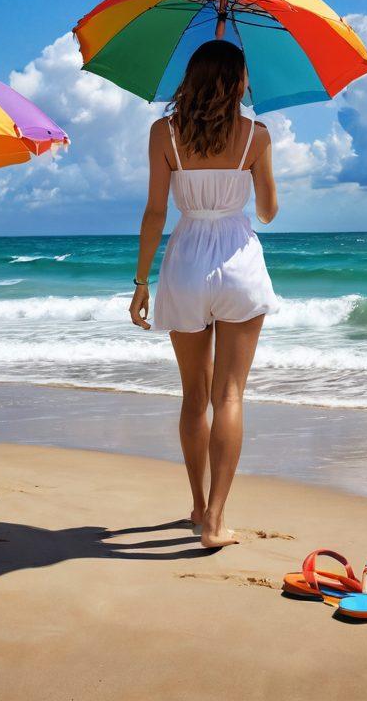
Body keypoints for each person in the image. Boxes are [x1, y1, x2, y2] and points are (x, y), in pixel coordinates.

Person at [129, 40, 279, 548]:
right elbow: (267, 211)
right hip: (238, 261)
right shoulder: (255, 136)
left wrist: (140, 282)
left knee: (195, 396)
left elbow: (154, 213)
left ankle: (195, 505)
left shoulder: (163, 134)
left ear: (191, 79)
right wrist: (249, 176)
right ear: (239, 82)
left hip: (186, 259)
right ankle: (215, 519)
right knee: (230, 394)